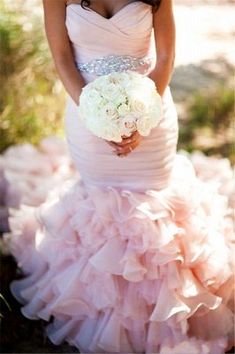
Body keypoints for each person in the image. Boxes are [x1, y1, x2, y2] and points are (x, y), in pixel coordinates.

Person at [5, 0, 234, 353]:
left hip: (152, 114)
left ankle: (165, 316)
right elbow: (63, 58)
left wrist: (143, 119)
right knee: (102, 203)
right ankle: (105, 313)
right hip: (85, 114)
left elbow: (165, 59)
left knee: (154, 208)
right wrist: (95, 116)